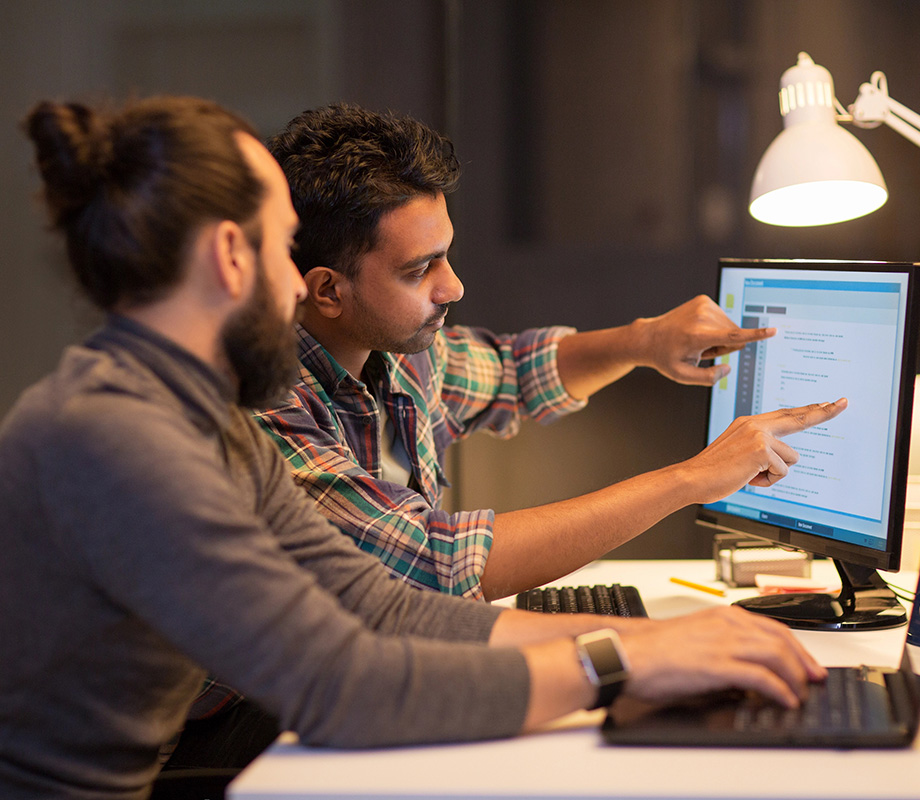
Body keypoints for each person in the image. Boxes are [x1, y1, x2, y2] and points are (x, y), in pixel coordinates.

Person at [0, 94, 841, 799]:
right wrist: (618, 662)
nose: (294, 285)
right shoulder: (118, 441)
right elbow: (343, 683)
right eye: (280, 247)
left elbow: (386, 609)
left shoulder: (200, 418)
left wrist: (657, 645)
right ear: (230, 256)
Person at [258, 103, 844, 601]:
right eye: (419, 270)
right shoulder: (265, 411)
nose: (453, 287)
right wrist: (692, 478)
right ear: (328, 291)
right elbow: (434, 563)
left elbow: (514, 372)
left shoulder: (400, 356)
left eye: (446, 255)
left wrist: (643, 342)